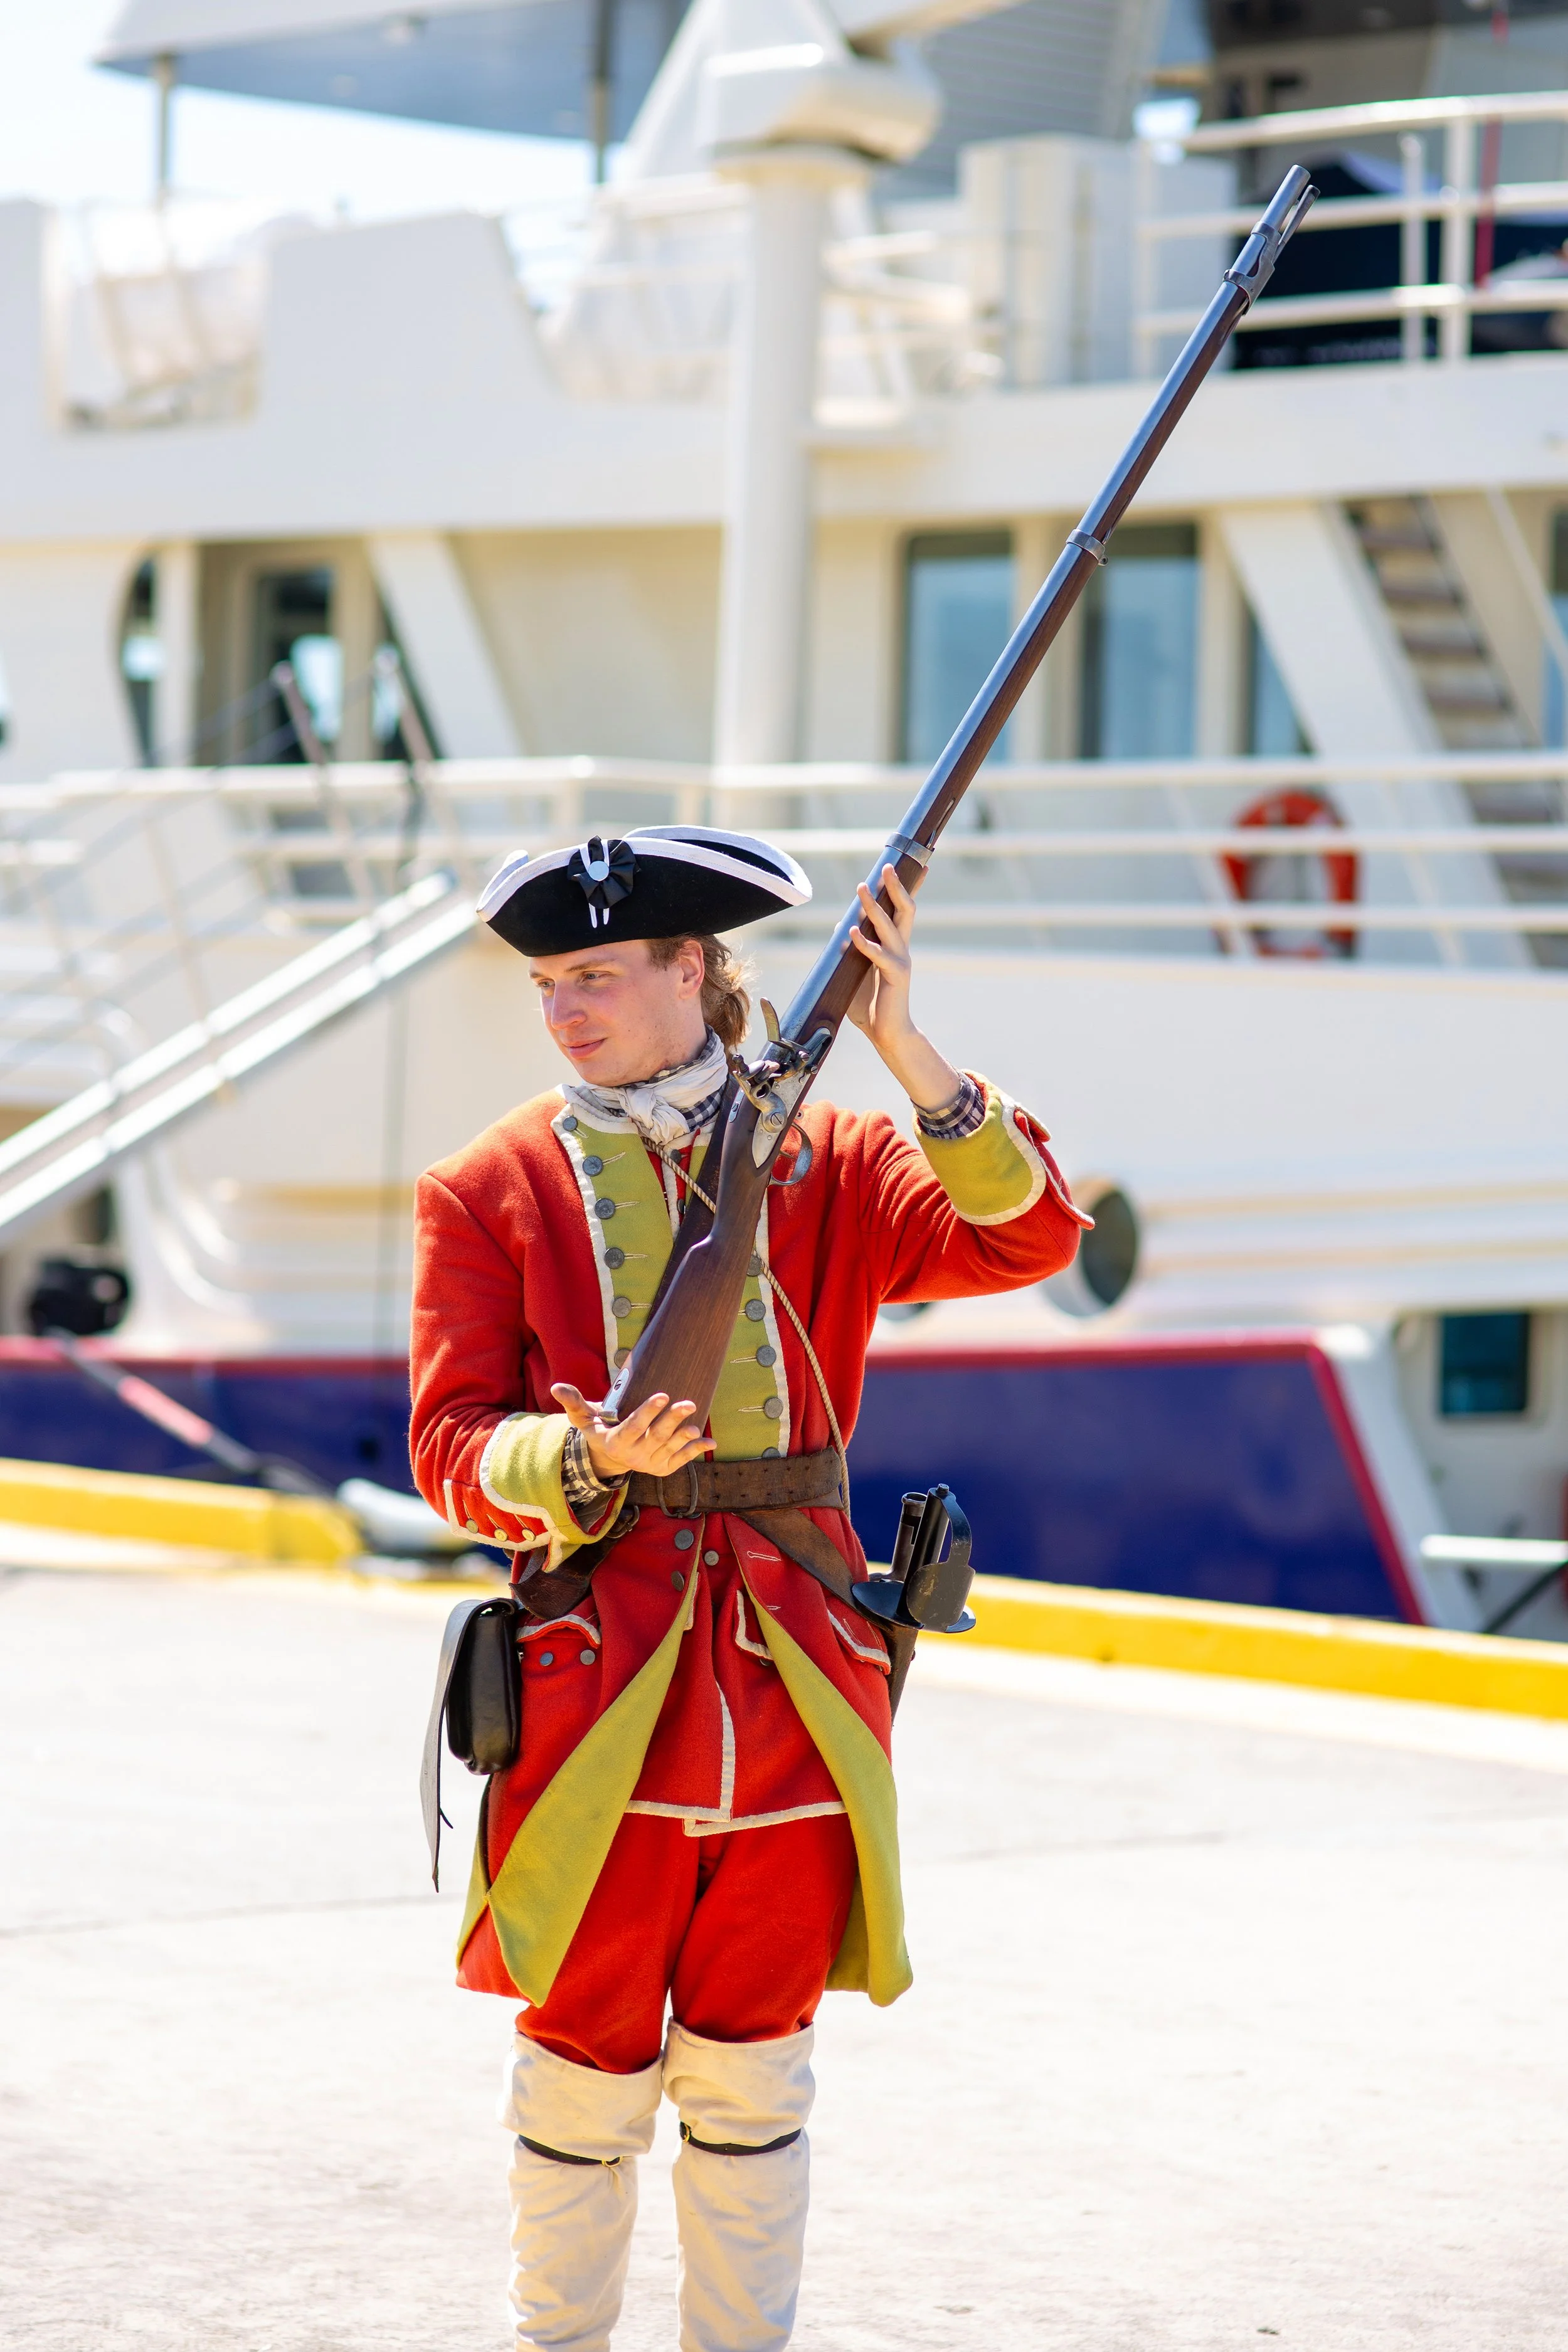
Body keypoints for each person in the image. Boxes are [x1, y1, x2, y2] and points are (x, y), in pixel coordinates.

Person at [409, 824, 1088, 2352]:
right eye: (546, 982)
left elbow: (1028, 1234)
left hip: (795, 1695)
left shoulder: (827, 1161)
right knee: (580, 2078)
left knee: (755, 2074)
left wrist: (906, 1050)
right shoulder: (490, 1186)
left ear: (697, 971)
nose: (563, 1008)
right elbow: (450, 1451)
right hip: (598, 1702)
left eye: (595, 974)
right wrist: (578, 1463)